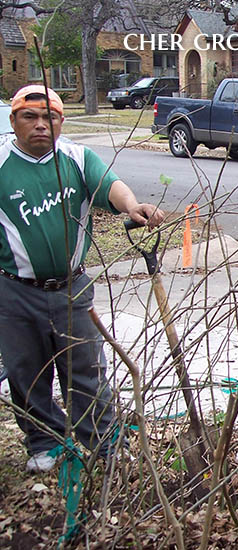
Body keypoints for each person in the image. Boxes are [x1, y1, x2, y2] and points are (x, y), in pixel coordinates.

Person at [0, 85, 165, 473]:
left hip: (71, 288)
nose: (41, 125)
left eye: (50, 117)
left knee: (87, 371)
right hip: (15, 290)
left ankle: (105, 446)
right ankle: (45, 442)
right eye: (30, 117)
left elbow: (110, 186)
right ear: (14, 121)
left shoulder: (76, 157)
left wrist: (133, 205)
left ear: (61, 121)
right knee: (27, 373)